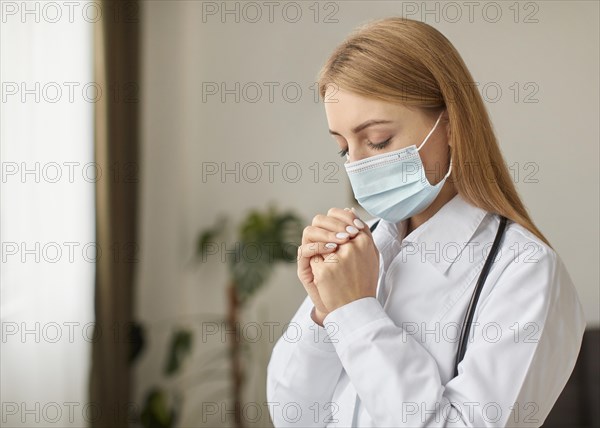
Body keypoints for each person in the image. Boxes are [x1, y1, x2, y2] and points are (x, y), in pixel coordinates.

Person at [266, 17, 586, 428]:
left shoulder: (525, 272)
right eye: (343, 148)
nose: (358, 166)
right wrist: (324, 312)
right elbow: (294, 415)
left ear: (451, 124)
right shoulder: (361, 249)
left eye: (378, 140)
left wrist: (355, 311)